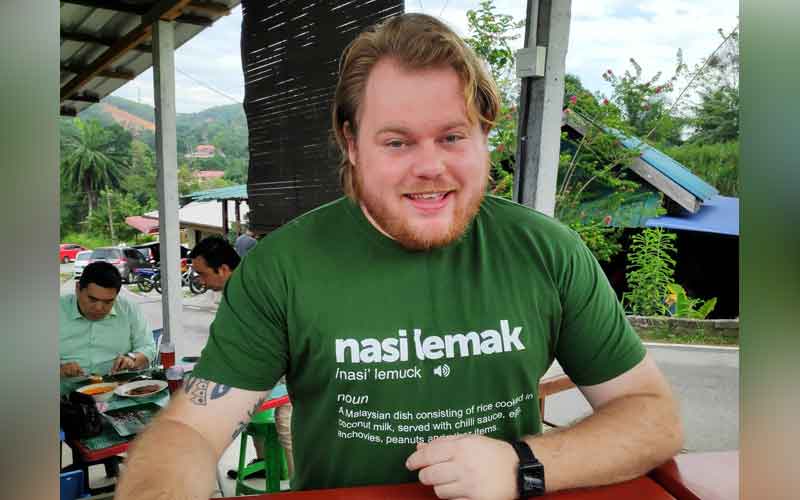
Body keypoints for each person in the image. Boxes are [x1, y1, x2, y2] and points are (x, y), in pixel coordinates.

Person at [117, 13, 682, 500]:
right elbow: (191, 430)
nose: (430, 167)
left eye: (452, 136)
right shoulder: (281, 267)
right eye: (397, 142)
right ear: (351, 144)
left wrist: (523, 465)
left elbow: (650, 414)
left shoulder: (546, 251)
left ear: (484, 136)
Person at [189, 235, 295, 479]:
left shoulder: (256, 286)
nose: (201, 281)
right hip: (261, 371)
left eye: (203, 274)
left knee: (286, 425)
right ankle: (265, 463)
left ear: (223, 269)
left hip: (288, 370)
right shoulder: (235, 288)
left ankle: (299, 488)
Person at [60, 261, 156, 377]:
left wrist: (131, 359)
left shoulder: (128, 308)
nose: (99, 308)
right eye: (92, 299)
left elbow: (148, 347)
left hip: (118, 385)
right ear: (78, 288)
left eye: (108, 302)